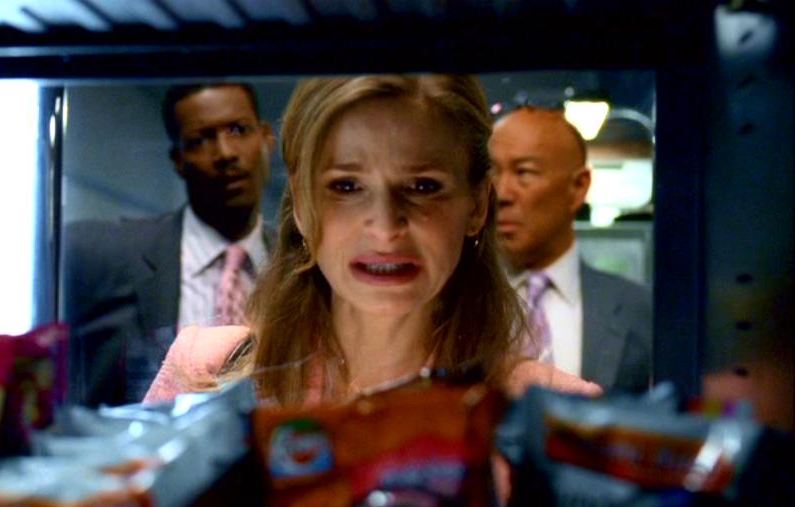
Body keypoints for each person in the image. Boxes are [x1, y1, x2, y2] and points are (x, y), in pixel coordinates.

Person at [144, 75, 602, 407]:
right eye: (346, 186)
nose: (384, 229)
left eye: (422, 186)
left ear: (477, 205)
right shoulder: (205, 373)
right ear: (301, 204)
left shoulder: (557, 414)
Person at [64, 83, 276, 406]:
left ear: (266, 139)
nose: (225, 153)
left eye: (238, 130)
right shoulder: (104, 254)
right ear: (178, 160)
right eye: (200, 140)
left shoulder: (309, 266)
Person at [489, 106, 652, 393]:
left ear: (578, 187)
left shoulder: (641, 310)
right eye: (491, 173)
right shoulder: (446, 310)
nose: (501, 194)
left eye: (524, 173)